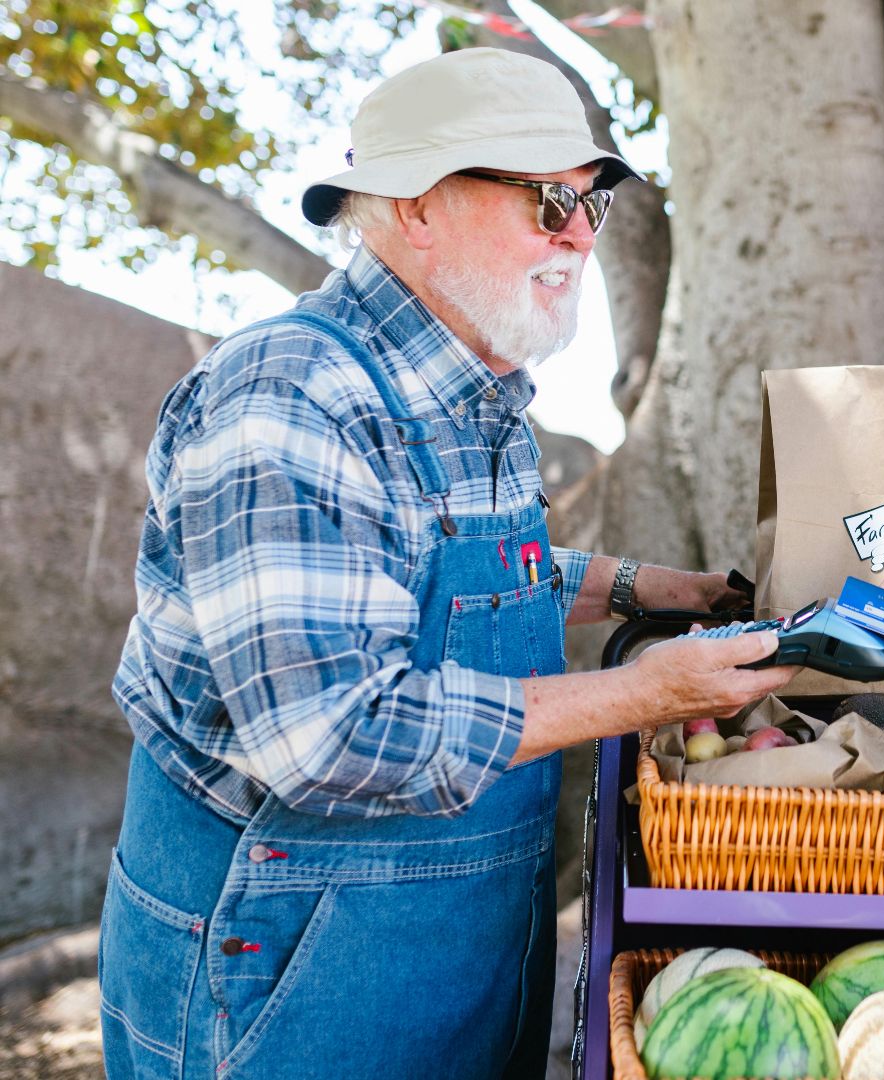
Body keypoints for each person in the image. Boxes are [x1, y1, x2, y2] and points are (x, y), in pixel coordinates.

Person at [101, 48, 795, 1079]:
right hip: (288, 970)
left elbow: (467, 576)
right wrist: (642, 691)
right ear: (416, 206)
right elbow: (329, 734)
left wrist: (654, 590)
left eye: (590, 205)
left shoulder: (476, 385)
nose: (577, 236)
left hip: (458, 946)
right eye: (543, 200)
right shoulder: (287, 396)